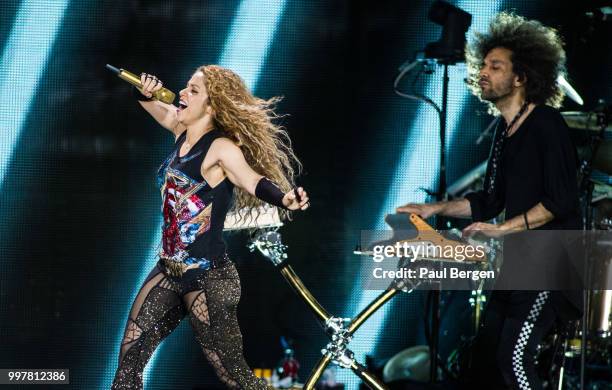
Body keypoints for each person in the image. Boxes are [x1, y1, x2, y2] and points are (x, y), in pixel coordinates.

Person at [396, 12, 581, 390]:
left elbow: (558, 202)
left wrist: (500, 229)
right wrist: (435, 209)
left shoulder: (546, 124)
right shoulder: (505, 131)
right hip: (518, 265)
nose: (483, 71)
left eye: (496, 66)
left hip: (550, 263)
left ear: (521, 77)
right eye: (484, 64)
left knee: (513, 360)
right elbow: (488, 201)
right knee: (481, 363)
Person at [111, 65, 309, 389]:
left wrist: (284, 198)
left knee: (234, 375)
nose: (182, 94)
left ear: (211, 105)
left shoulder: (220, 148)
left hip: (209, 277)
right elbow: (151, 104)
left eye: (193, 90)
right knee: (129, 361)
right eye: (185, 87)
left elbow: (251, 179)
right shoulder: (180, 131)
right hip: (169, 269)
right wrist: (142, 90)